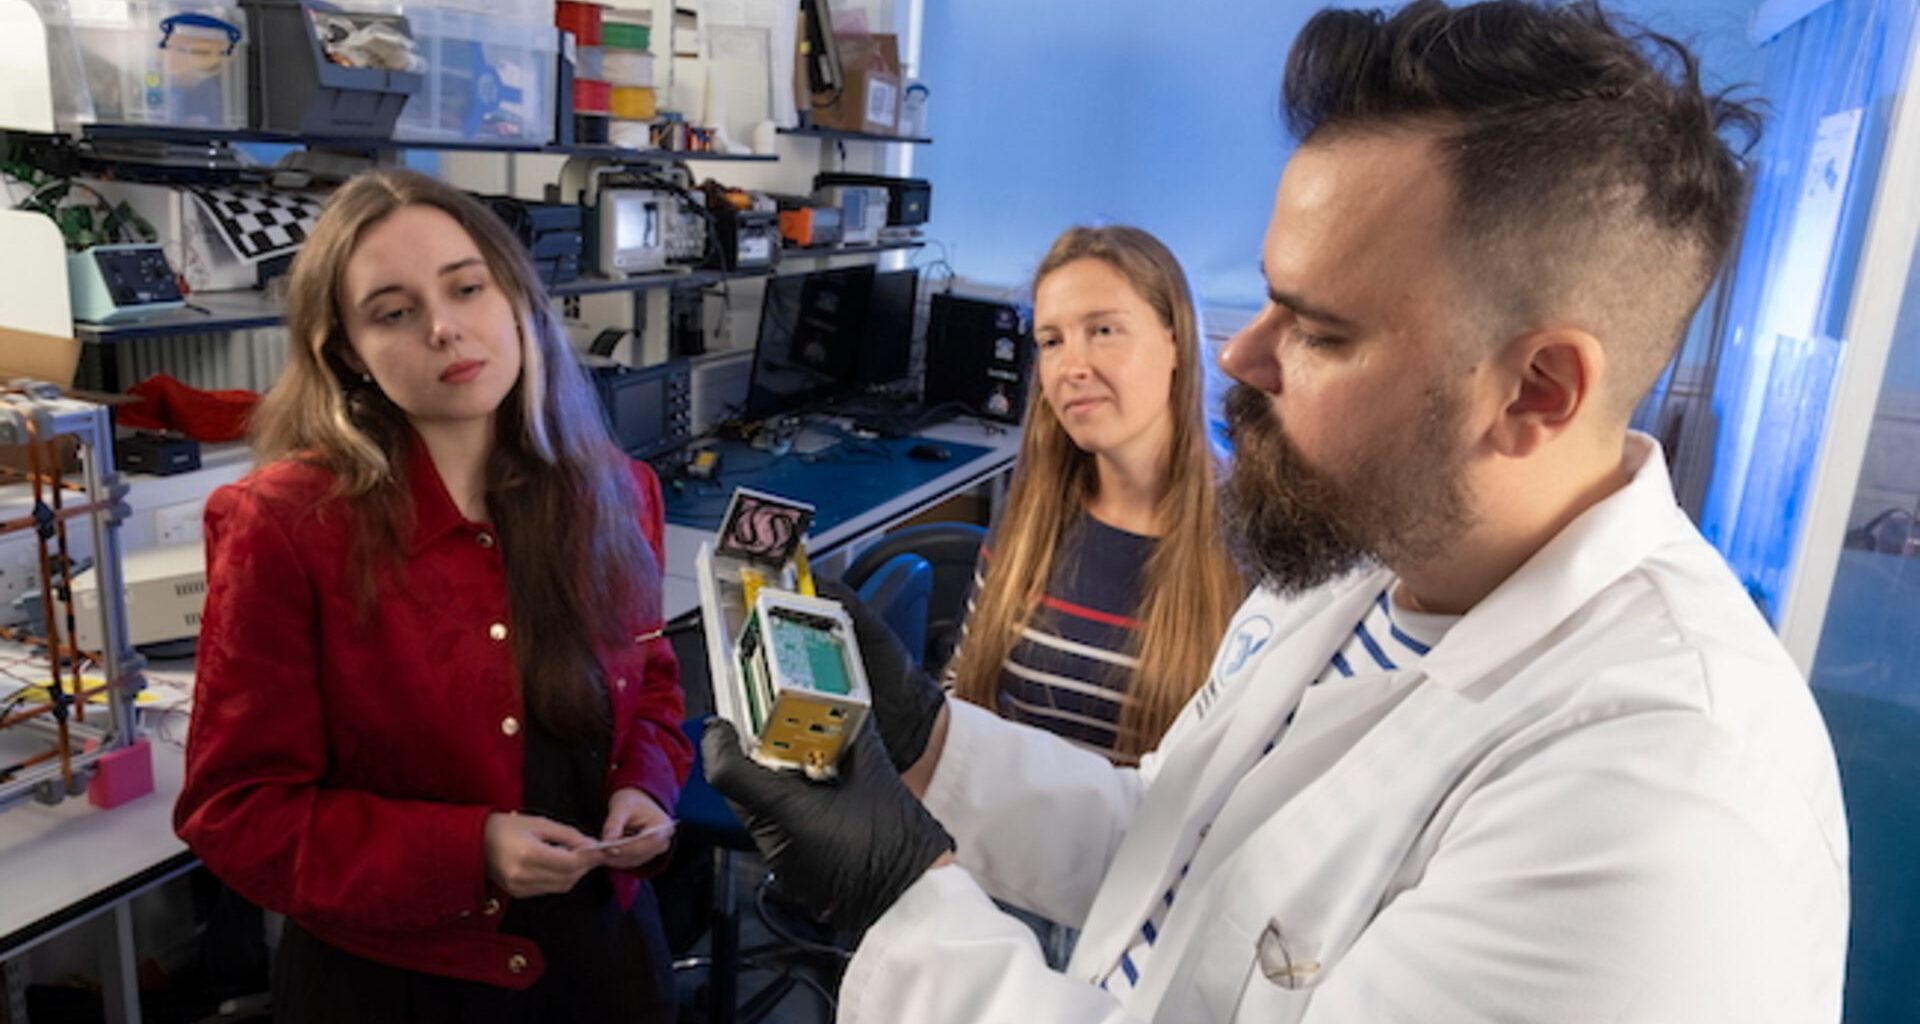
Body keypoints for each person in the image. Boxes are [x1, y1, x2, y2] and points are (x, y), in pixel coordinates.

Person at [701, 3, 1850, 1022]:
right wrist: (929, 740)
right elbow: (1173, 839)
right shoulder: (1366, 562)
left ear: (1535, 391)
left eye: (1321, 329)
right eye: (1268, 298)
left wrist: (902, 906)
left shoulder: (1663, 804)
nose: (1242, 357)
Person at [174, 168, 693, 1022]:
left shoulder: (614, 490)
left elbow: (655, 691)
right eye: (394, 312)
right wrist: (467, 851)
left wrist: (645, 788)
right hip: (398, 991)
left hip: (606, 967)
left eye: (467, 288)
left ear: (517, 298)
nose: (445, 328)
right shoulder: (284, 527)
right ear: (348, 352)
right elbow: (237, 812)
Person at [942, 225, 1243, 765]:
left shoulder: (1251, 537)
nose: (1072, 368)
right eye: (1052, 341)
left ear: (1176, 340)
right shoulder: (1033, 515)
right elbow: (963, 694)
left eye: (1103, 330)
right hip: (998, 818)